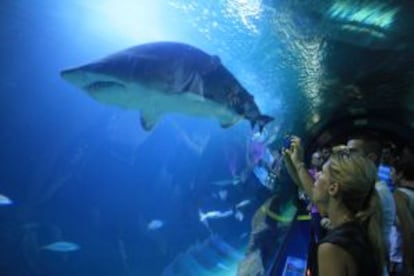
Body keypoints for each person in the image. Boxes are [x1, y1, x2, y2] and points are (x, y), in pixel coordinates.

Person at [284, 138, 385, 275]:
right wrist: (295, 162)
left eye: (322, 173)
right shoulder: (360, 229)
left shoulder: (332, 248)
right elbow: (309, 190)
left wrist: (298, 163)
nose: (317, 175)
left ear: (333, 189)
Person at [390, 158, 414, 275]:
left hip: (401, 258)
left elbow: (408, 230)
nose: (390, 175)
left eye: (392, 171)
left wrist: (408, 265)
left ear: (400, 174)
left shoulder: (400, 195)